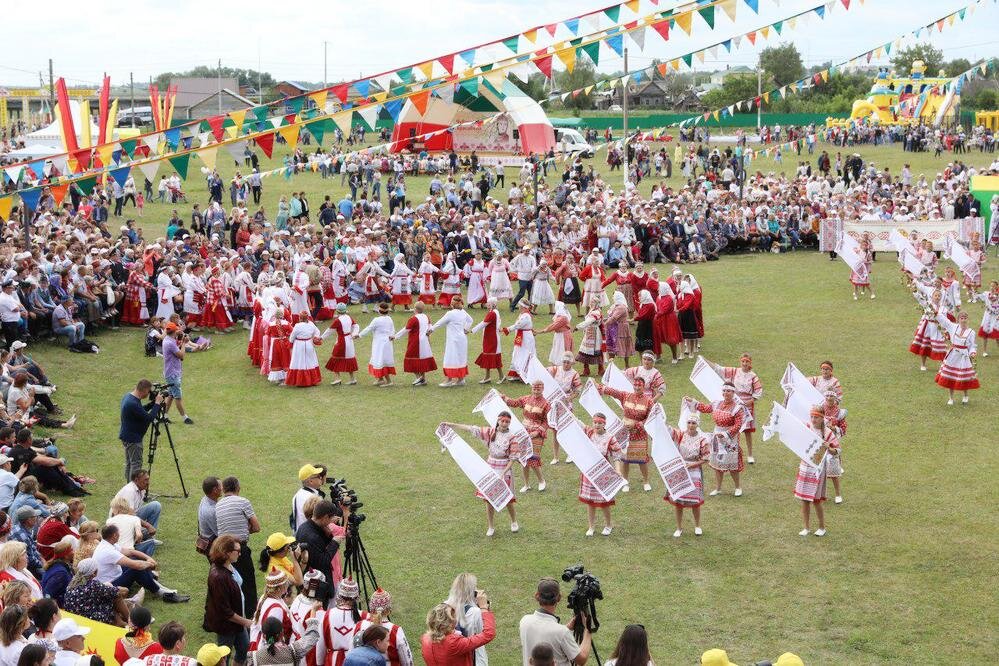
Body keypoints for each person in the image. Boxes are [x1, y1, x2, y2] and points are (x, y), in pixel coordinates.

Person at [440, 418, 519, 537]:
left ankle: (514, 522)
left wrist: (504, 472)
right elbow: (471, 428)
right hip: (490, 468)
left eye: (507, 422)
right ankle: (491, 526)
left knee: (507, 498)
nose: (504, 423)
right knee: (488, 499)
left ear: (509, 423)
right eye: (502, 421)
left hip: (504, 469)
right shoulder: (491, 432)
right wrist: (452, 425)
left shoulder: (512, 438)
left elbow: (513, 458)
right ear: (498, 421)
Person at [93, 524, 188, 603]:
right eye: (118, 533)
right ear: (114, 536)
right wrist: (150, 564)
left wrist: (148, 558)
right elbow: (136, 565)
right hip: (109, 586)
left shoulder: (107, 544)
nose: (119, 534)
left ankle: (158, 585)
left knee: (136, 560)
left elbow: (131, 552)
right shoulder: (108, 551)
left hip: (113, 576)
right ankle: (161, 593)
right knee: (137, 569)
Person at [598, 377, 655, 492]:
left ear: (643, 387)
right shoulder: (626, 395)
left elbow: (651, 418)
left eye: (639, 385)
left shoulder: (649, 401)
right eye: (635, 385)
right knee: (625, 458)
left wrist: (637, 425)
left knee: (642, 459)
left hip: (640, 433)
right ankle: (625, 481)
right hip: (624, 432)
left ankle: (646, 481)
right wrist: (600, 387)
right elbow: (614, 392)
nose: (637, 387)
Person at [689, 382, 746, 497]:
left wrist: (726, 434)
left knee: (732, 464)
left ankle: (738, 487)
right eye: (724, 391)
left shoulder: (738, 407)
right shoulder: (717, 403)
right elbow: (705, 408)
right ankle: (718, 488)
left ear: (733, 393)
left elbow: (738, 425)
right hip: (716, 437)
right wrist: (693, 402)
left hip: (730, 439)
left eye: (728, 391)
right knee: (717, 463)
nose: (726, 393)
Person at [205, 536, 254, 666]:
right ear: (226, 553)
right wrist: (246, 622)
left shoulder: (228, 565)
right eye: (237, 550)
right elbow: (224, 611)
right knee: (223, 658)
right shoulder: (218, 577)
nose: (240, 553)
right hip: (226, 625)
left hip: (237, 620)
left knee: (244, 648)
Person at [519, 578, 590, 666]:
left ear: (536, 595)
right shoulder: (561, 632)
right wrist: (588, 630)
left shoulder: (524, 621)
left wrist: (566, 628)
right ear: (559, 598)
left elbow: (543, 633)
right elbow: (581, 660)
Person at [216, 477, 260, 614]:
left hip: (223, 550)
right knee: (248, 585)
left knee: (230, 584)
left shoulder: (218, 505)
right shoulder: (243, 502)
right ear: (237, 488)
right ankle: (252, 617)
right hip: (239, 549)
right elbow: (257, 527)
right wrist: (246, 530)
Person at [707, 355, 763, 463]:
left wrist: (749, 402)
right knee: (730, 428)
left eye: (747, 361)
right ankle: (726, 452)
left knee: (747, 431)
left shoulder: (753, 376)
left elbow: (758, 391)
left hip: (747, 405)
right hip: (734, 402)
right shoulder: (734, 371)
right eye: (743, 361)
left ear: (750, 363)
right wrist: (704, 360)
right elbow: (719, 369)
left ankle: (750, 455)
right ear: (740, 362)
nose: (745, 363)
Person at [795, 406, 840, 537]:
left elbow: (837, 450)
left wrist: (829, 448)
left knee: (816, 500)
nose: (813, 419)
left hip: (818, 469)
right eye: (812, 417)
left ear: (822, 418)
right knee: (804, 499)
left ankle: (821, 527)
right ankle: (806, 527)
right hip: (805, 465)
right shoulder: (807, 427)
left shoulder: (827, 433)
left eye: (816, 417)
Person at [665, 411, 711, 537]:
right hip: (680, 470)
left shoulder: (703, 440)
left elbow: (706, 459)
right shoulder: (681, 434)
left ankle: (697, 526)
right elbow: (668, 430)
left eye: (693, 423)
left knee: (695, 501)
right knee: (679, 500)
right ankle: (679, 528)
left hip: (694, 471)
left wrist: (692, 465)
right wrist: (661, 418)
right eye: (689, 423)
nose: (691, 425)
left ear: (697, 425)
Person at [502, 382, 550, 493]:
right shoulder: (526, 399)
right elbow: (514, 403)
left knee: (533, 457)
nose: (536, 392)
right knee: (523, 458)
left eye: (538, 390)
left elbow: (547, 422)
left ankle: (541, 480)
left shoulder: (546, 404)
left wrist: (537, 432)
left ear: (542, 390)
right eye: (534, 389)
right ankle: (526, 484)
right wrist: (504, 398)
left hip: (536, 434)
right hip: (524, 432)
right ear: (532, 389)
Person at [421, 595, 495, 666]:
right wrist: (483, 608)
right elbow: (488, 634)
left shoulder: (425, 638)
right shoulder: (454, 643)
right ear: (450, 623)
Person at [580, 413, 621, 536]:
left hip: (603, 471)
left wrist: (618, 470)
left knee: (604, 501)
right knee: (590, 500)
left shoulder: (610, 437)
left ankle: (608, 525)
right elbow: (576, 422)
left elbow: (617, 454)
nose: (597, 425)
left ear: (604, 424)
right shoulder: (589, 432)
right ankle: (591, 527)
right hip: (589, 470)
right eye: (595, 422)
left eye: (600, 423)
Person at [294, 500, 342, 604]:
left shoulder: (305, 526)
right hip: (316, 589)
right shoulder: (312, 537)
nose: (332, 521)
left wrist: (328, 535)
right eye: (331, 518)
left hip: (311, 582)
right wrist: (334, 542)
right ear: (325, 517)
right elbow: (323, 561)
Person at [352, 588, 414, 666]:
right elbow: (407, 661)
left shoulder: (359, 626)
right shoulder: (395, 631)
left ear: (371, 608)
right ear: (389, 609)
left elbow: (352, 653)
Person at [119, 380, 165, 482]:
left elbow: (140, 411)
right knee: (136, 464)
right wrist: (157, 404)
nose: (149, 394)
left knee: (130, 463)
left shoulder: (129, 397)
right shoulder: (132, 403)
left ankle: (128, 486)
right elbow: (149, 418)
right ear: (144, 390)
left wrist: (152, 404)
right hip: (133, 439)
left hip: (126, 436)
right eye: (148, 391)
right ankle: (133, 488)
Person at [935, 310, 980, 404]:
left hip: (964, 356)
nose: (963, 320)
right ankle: (951, 398)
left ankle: (965, 396)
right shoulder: (953, 327)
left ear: (968, 320)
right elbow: (945, 321)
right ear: (958, 319)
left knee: (963, 375)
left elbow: (972, 345)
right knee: (950, 375)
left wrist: (972, 353)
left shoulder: (971, 332)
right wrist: (937, 314)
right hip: (953, 354)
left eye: (965, 318)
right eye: (961, 318)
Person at [443, 574, 487, 666]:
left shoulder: (444, 606)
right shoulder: (474, 611)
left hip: (448, 652)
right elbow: (483, 633)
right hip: (471, 655)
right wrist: (484, 608)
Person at [317, 578, 362, 666]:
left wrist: (319, 663)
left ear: (340, 594)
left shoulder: (327, 615)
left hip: (332, 661)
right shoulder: (364, 616)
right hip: (356, 661)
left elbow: (320, 644)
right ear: (356, 596)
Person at [248, 611, 320, 666]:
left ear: (263, 636)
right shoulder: (293, 652)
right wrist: (313, 611)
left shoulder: (254, 657)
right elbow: (312, 637)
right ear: (282, 633)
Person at [431, 297, 474, 388]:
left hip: (453, 340)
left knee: (450, 358)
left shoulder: (450, 314)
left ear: (452, 304)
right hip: (462, 339)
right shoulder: (463, 312)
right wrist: (465, 329)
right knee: (460, 359)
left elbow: (439, 323)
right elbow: (470, 320)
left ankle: (449, 380)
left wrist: (431, 329)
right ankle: (461, 379)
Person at [394, 302, 437, 386]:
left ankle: (419, 378)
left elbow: (406, 329)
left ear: (415, 309)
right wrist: (429, 333)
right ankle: (423, 378)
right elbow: (430, 327)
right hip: (425, 342)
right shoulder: (426, 317)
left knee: (410, 358)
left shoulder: (413, 318)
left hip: (415, 342)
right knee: (422, 360)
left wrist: (395, 336)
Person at [357, 303, 397, 387]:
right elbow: (392, 329)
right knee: (380, 359)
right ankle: (380, 379)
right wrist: (391, 336)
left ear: (379, 311)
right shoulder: (389, 319)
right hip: (386, 342)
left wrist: (359, 335)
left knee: (381, 360)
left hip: (380, 343)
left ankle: (389, 381)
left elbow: (369, 328)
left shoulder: (376, 320)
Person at [161, 324, 194, 425]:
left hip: (171, 372)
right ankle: (185, 418)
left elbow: (176, 351)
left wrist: (180, 339)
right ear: (174, 332)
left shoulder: (167, 339)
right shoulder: (170, 343)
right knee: (177, 396)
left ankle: (164, 416)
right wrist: (184, 343)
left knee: (170, 395)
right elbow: (181, 355)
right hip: (172, 374)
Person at [323, 304, 360, 386]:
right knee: (349, 358)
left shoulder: (338, 320)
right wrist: (354, 333)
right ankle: (352, 379)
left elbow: (329, 331)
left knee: (335, 358)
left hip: (341, 341)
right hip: (349, 340)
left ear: (337, 311)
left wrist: (321, 338)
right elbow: (356, 326)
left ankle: (337, 378)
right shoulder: (349, 317)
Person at [285, 317, 323, 388]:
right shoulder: (311, 324)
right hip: (309, 343)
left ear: (300, 318)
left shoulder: (297, 326)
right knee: (310, 361)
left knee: (299, 362)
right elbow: (317, 331)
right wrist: (315, 337)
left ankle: (301, 381)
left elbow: (292, 336)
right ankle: (313, 380)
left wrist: (290, 343)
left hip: (299, 345)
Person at [470, 299, 502, 384]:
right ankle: (488, 377)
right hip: (491, 337)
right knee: (489, 356)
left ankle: (500, 376)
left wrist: (472, 330)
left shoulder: (492, 313)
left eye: (488, 303)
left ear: (492, 304)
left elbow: (484, 323)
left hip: (491, 338)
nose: (487, 304)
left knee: (491, 356)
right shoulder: (495, 312)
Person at [504, 302, 535, 381]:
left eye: (520, 306)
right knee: (517, 353)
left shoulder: (526, 316)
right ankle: (517, 374)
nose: (519, 308)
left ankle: (524, 374)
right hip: (522, 336)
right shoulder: (523, 315)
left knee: (524, 354)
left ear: (524, 307)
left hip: (525, 338)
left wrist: (507, 329)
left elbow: (518, 325)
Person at [290, 464, 325, 533]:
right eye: (318, 476)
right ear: (311, 481)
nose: (321, 478)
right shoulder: (312, 499)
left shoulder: (298, 494)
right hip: (311, 536)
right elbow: (322, 521)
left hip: (300, 534)